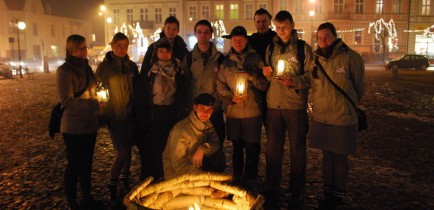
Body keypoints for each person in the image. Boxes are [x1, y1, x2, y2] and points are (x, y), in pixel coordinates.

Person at [310, 22, 365, 209]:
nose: (323, 41)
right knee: (327, 156)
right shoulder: (315, 59)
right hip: (322, 116)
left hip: (342, 116)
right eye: (320, 38)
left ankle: (338, 195)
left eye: (327, 37)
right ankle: (328, 191)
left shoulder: (351, 57)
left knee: (340, 157)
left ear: (335, 36)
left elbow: (359, 87)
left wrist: (347, 105)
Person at [262, 10, 313, 209]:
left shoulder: (302, 49)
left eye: (284, 27)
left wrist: (294, 81)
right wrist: (267, 73)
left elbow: (311, 77)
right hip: (273, 105)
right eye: (278, 27)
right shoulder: (270, 48)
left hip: (295, 107)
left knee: (297, 150)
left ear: (292, 25)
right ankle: (272, 187)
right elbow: (269, 76)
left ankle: (297, 190)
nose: (281, 30)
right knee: (273, 150)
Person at [217, 26, 269, 191]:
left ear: (246, 40)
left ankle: (251, 179)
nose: (238, 42)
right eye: (235, 39)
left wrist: (252, 77)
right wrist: (230, 97)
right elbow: (220, 85)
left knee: (252, 147)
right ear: (231, 41)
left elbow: (265, 85)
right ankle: (238, 178)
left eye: (241, 39)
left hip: (253, 111)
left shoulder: (256, 59)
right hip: (234, 112)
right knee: (237, 147)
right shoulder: (226, 62)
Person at [57, 34, 102, 209]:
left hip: (90, 125)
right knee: (74, 164)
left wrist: (100, 95)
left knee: (87, 163)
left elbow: (93, 89)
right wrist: (92, 103)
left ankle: (86, 197)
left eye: (85, 47)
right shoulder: (65, 70)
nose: (85, 50)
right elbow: (66, 100)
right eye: (81, 48)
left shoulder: (87, 68)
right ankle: (72, 201)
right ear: (72, 49)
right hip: (73, 126)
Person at [135, 40, 190, 181]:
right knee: (155, 145)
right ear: (156, 53)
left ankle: (169, 173)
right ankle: (155, 173)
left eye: (167, 51)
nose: (164, 54)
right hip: (155, 112)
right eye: (161, 51)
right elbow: (144, 93)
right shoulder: (150, 71)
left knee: (171, 143)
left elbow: (182, 91)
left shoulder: (178, 69)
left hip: (172, 111)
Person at [95, 32, 139, 206]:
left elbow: (137, 88)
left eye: (125, 46)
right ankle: (112, 184)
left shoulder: (131, 66)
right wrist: (103, 110)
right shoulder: (104, 68)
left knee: (128, 150)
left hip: (130, 114)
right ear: (112, 46)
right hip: (115, 116)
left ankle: (125, 179)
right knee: (121, 151)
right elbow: (100, 90)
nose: (122, 49)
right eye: (119, 45)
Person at [185, 19, 226, 171]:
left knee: (215, 144)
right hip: (195, 111)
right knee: (195, 145)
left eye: (206, 32)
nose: (203, 35)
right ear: (195, 34)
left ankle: (215, 176)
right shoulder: (189, 58)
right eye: (199, 32)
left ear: (211, 35)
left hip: (214, 110)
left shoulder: (220, 58)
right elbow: (186, 82)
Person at [162, 93, 223, 179]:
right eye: (202, 108)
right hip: (178, 174)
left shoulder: (207, 124)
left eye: (209, 110)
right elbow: (178, 164)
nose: (205, 113)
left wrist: (202, 149)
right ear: (195, 107)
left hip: (197, 167)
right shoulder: (181, 130)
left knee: (219, 157)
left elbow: (216, 143)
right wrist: (202, 176)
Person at [248, 8, 276, 125]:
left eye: (264, 21)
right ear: (254, 22)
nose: (261, 24)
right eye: (258, 21)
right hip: (256, 86)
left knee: (272, 123)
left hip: (274, 85)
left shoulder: (276, 39)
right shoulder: (250, 40)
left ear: (270, 22)